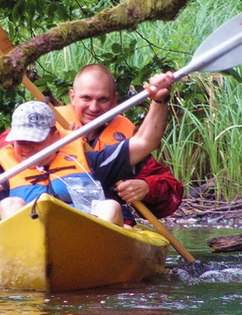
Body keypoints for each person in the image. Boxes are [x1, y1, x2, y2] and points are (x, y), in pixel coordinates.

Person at [0, 71, 174, 232]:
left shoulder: (90, 161)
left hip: (86, 243)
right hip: (31, 246)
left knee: (109, 207)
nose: (26, 149)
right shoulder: (8, 174)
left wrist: (159, 99)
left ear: (56, 136)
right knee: (10, 203)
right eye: (20, 141)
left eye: (35, 141)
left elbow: (145, 142)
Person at [55, 64, 184, 219]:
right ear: (72, 97)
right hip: (58, 212)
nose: (94, 108)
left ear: (114, 100)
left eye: (103, 99)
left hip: (110, 216)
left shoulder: (123, 138)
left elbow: (171, 191)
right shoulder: (50, 132)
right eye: (86, 98)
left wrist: (147, 187)